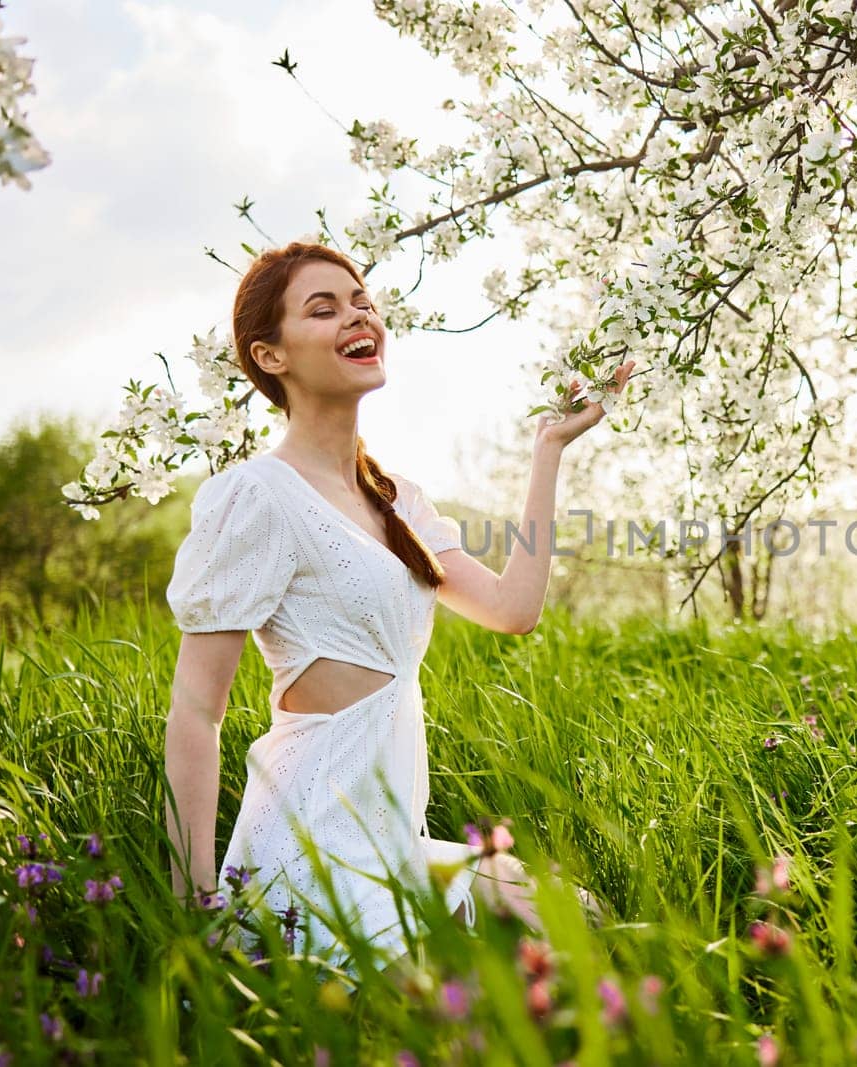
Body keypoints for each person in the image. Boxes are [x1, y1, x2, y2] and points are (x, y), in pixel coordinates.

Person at [162, 241, 632, 979]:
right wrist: (192, 903)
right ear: (272, 355)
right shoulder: (255, 496)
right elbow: (197, 711)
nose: (358, 315)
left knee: (577, 921)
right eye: (324, 308)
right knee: (455, 1010)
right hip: (310, 844)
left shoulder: (397, 500)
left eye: (362, 302)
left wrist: (549, 452)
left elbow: (513, 609)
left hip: (393, 843)